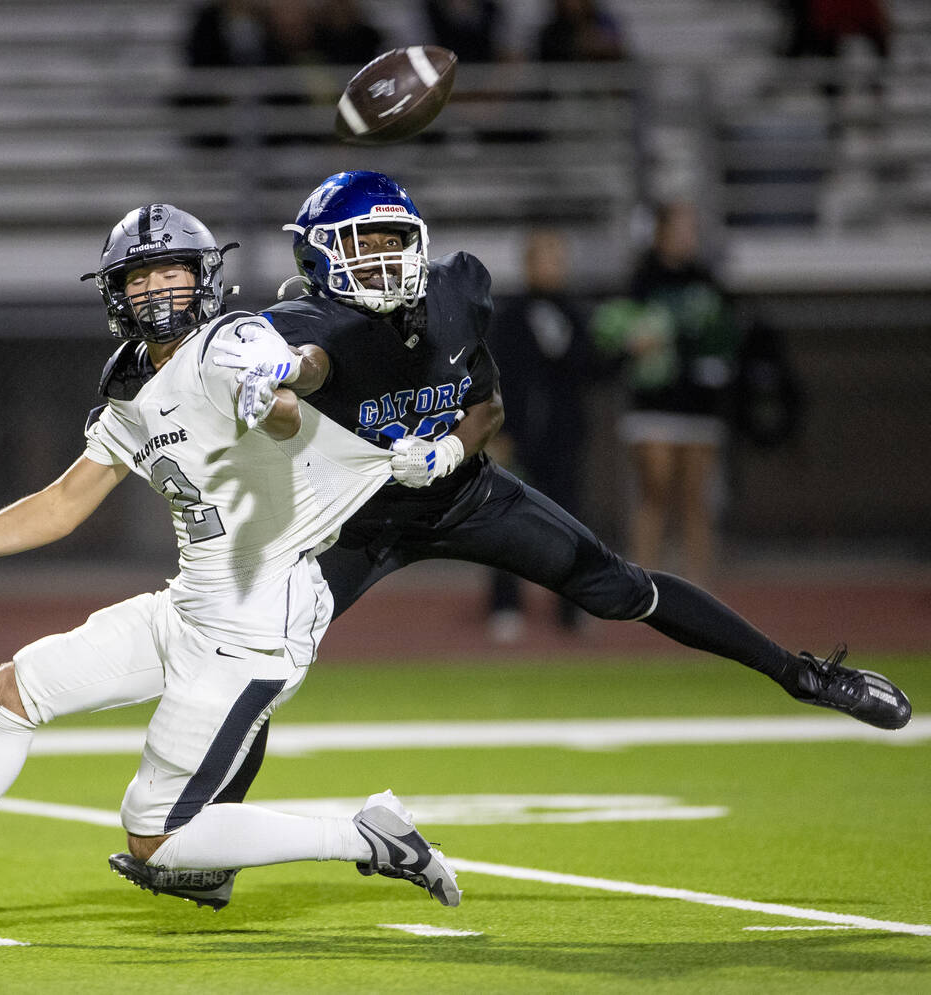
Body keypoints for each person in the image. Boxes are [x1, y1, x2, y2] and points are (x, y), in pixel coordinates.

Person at [209, 173, 912, 867]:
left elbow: (486, 407)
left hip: (463, 493)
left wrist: (451, 446)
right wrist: (271, 369)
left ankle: (803, 675)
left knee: (623, 587)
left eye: (396, 240)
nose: (387, 258)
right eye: (365, 244)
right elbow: (304, 361)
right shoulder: (305, 327)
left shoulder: (452, 296)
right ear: (318, 255)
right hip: (355, 523)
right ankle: (213, 843)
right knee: (264, 660)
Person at [0, 203, 461, 929]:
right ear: (117, 293)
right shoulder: (133, 389)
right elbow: (64, 502)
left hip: (251, 631)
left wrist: (274, 385)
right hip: (189, 607)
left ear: (204, 277)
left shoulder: (229, 343)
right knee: (15, 688)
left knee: (154, 837)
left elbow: (279, 393)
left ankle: (365, 835)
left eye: (171, 273)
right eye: (141, 279)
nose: (158, 292)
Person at [591, 201, 738, 587]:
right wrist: (634, 342)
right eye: (680, 229)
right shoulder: (642, 281)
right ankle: (645, 581)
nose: (687, 237)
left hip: (698, 404)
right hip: (653, 402)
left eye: (692, 230)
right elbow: (614, 336)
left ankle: (699, 585)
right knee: (654, 489)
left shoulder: (707, 280)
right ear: (661, 233)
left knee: (694, 498)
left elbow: (726, 334)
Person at [484, 229, 599, 638]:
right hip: (519, 434)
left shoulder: (574, 313)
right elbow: (495, 377)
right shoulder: (509, 316)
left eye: (559, 258)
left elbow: (591, 368)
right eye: (547, 258)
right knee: (508, 523)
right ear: (530, 264)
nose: (555, 267)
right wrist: (498, 430)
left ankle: (571, 607)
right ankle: (505, 604)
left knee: (569, 525)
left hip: (563, 436)